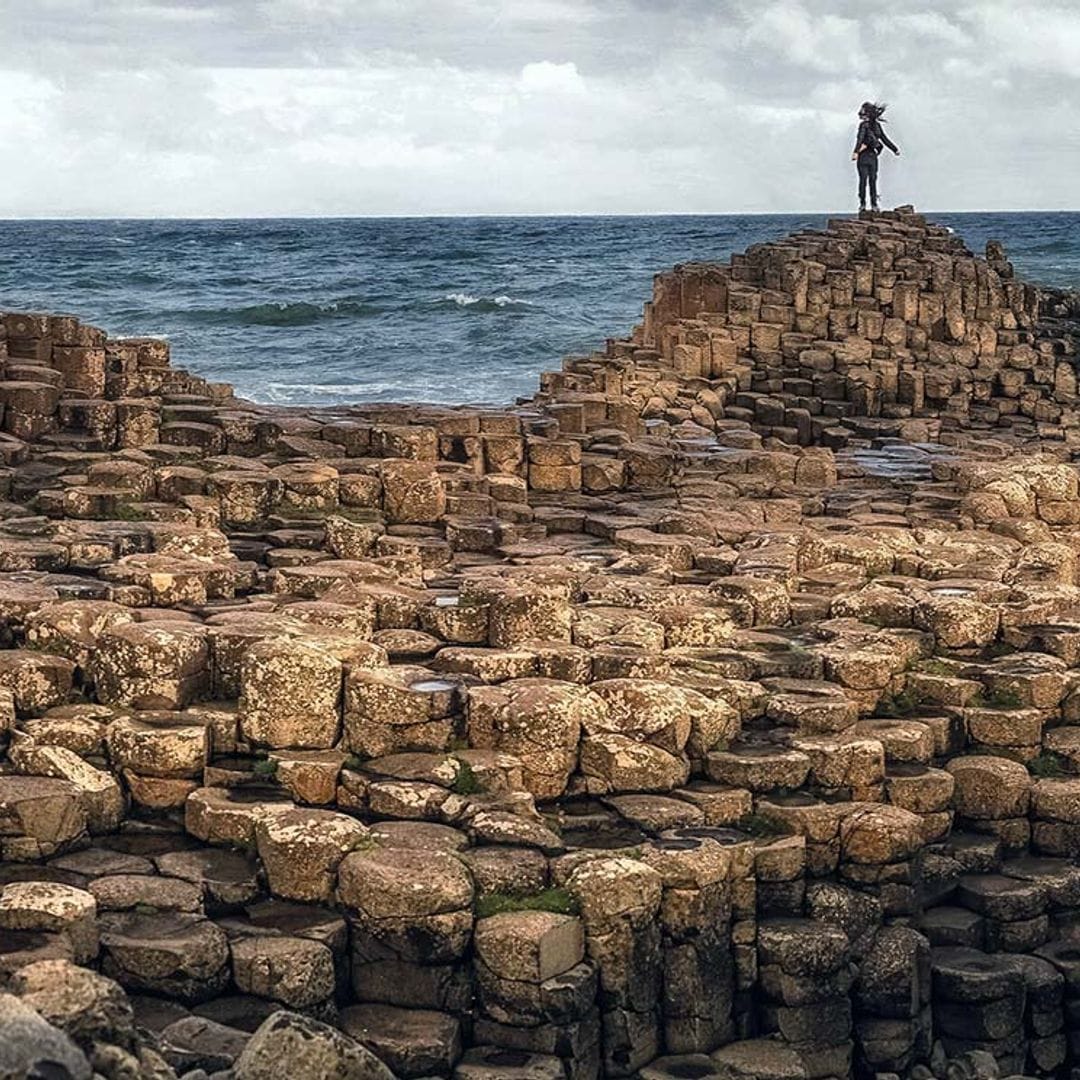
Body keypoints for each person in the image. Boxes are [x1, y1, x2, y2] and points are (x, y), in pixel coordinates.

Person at [851, 101, 899, 212]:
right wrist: (895, 149)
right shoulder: (875, 126)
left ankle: (863, 204)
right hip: (872, 156)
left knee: (864, 180)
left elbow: (860, 139)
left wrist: (856, 152)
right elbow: (884, 139)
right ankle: (873, 205)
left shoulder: (864, 125)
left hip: (864, 156)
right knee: (872, 180)